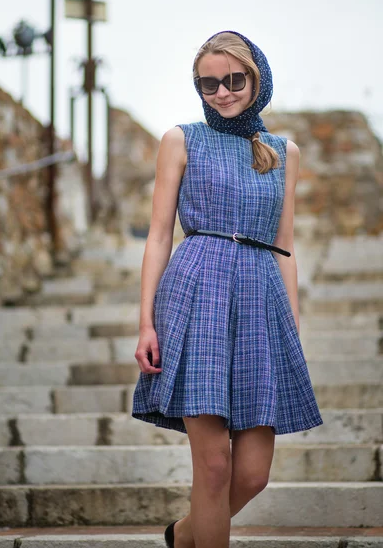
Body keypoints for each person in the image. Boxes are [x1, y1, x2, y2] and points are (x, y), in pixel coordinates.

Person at [132, 30, 324, 548]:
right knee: (214, 468)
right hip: (197, 295)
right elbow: (157, 236)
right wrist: (147, 322)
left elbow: (284, 247)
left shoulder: (286, 152)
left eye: (234, 79)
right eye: (209, 84)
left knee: (253, 474)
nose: (222, 92)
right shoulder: (181, 139)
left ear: (256, 77)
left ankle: (183, 535)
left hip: (261, 302)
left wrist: (293, 329)